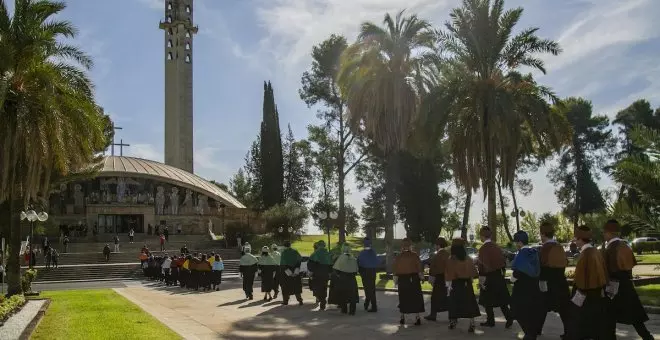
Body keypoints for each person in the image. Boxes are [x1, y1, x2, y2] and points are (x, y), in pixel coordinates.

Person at [602, 219, 654, 340]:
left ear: (609, 232)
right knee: (634, 317)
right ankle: (648, 337)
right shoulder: (625, 246)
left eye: (604, 232)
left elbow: (608, 268)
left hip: (613, 286)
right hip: (625, 285)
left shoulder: (611, 248)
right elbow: (630, 265)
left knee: (610, 316)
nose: (603, 235)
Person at [565, 225, 608, 340]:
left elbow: (581, 278)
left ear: (580, 239)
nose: (575, 242)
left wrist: (576, 295)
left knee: (578, 322)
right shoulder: (595, 251)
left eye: (576, 239)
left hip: (585, 293)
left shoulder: (585, 254)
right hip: (596, 291)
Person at [538, 222, 570, 337]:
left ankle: (535, 330)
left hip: (548, 281)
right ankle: (568, 332)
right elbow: (565, 262)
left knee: (541, 308)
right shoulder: (560, 246)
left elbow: (541, 265)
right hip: (561, 280)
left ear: (543, 234)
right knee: (564, 310)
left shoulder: (545, 248)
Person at [510, 230, 544, 340]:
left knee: (518, 310)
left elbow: (517, 272)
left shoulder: (522, 254)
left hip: (522, 287)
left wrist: (512, 279)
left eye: (516, 242)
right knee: (531, 311)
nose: (516, 245)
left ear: (520, 242)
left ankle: (529, 333)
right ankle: (532, 332)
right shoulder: (534, 252)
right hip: (534, 286)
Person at [477, 226, 513, 328]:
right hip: (498, 275)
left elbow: (482, 265)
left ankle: (490, 321)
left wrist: (481, 281)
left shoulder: (483, 249)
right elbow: (503, 262)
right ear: (490, 235)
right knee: (502, 300)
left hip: (488, 276)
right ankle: (509, 318)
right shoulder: (496, 247)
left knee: (487, 301)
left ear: (482, 236)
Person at [445, 237, 480, 332]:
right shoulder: (467, 258)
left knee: (454, 303)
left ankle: (453, 322)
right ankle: (472, 323)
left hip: (456, 283)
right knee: (469, 303)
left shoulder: (451, 259)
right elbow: (473, 272)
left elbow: (449, 273)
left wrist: (448, 285)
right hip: (467, 283)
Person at [393, 238, 424, 326]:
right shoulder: (414, 255)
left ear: (402, 246)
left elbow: (395, 270)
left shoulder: (398, 257)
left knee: (403, 298)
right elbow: (419, 268)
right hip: (413, 279)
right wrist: (422, 278)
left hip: (402, 280)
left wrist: (395, 282)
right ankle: (417, 317)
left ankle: (402, 317)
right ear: (410, 246)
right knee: (415, 299)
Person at [329, 244, 359, 314]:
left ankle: (344, 310)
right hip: (351, 279)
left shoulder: (341, 258)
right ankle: (352, 311)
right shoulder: (353, 258)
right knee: (352, 295)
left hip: (342, 279)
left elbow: (336, 269)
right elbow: (356, 270)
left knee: (343, 295)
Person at [425, 237, 450, 321]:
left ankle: (433, 315)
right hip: (447, 277)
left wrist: (431, 279)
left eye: (436, 245)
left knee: (435, 297)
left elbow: (433, 268)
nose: (435, 246)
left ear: (438, 245)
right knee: (447, 296)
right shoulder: (448, 254)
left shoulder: (437, 255)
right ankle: (451, 314)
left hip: (439, 277)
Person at [308, 240, 333, 310]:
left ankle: (321, 299)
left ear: (318, 245)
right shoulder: (328, 254)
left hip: (317, 274)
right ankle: (323, 301)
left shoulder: (315, 254)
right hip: (325, 274)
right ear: (324, 245)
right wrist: (330, 273)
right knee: (324, 287)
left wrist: (311, 271)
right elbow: (331, 265)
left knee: (317, 288)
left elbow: (310, 265)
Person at [357, 237, 379, 313]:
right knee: (372, 289)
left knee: (367, 289)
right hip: (372, 272)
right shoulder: (373, 252)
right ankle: (371, 305)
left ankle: (370, 304)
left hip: (365, 272)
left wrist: (360, 272)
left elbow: (359, 263)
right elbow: (377, 262)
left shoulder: (362, 253)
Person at [279, 240, 304, 305]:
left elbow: (282, 264)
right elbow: (299, 260)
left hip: (286, 272)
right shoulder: (295, 251)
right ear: (290, 245)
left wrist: (289, 273)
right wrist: (296, 271)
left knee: (285, 287)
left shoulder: (284, 252)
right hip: (295, 270)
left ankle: (286, 301)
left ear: (284, 246)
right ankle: (300, 300)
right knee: (296, 286)